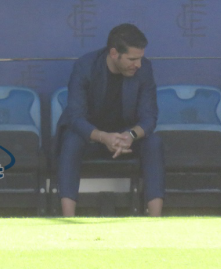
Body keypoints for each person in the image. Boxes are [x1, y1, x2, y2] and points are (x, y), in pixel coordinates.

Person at [55, 23, 165, 217]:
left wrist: (130, 135)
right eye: (132, 59)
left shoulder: (144, 69)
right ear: (114, 54)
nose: (138, 64)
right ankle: (68, 219)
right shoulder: (86, 66)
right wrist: (103, 137)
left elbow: (150, 117)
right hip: (91, 137)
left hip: (126, 139)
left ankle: (156, 219)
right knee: (71, 140)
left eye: (140, 58)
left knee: (153, 142)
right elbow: (75, 116)